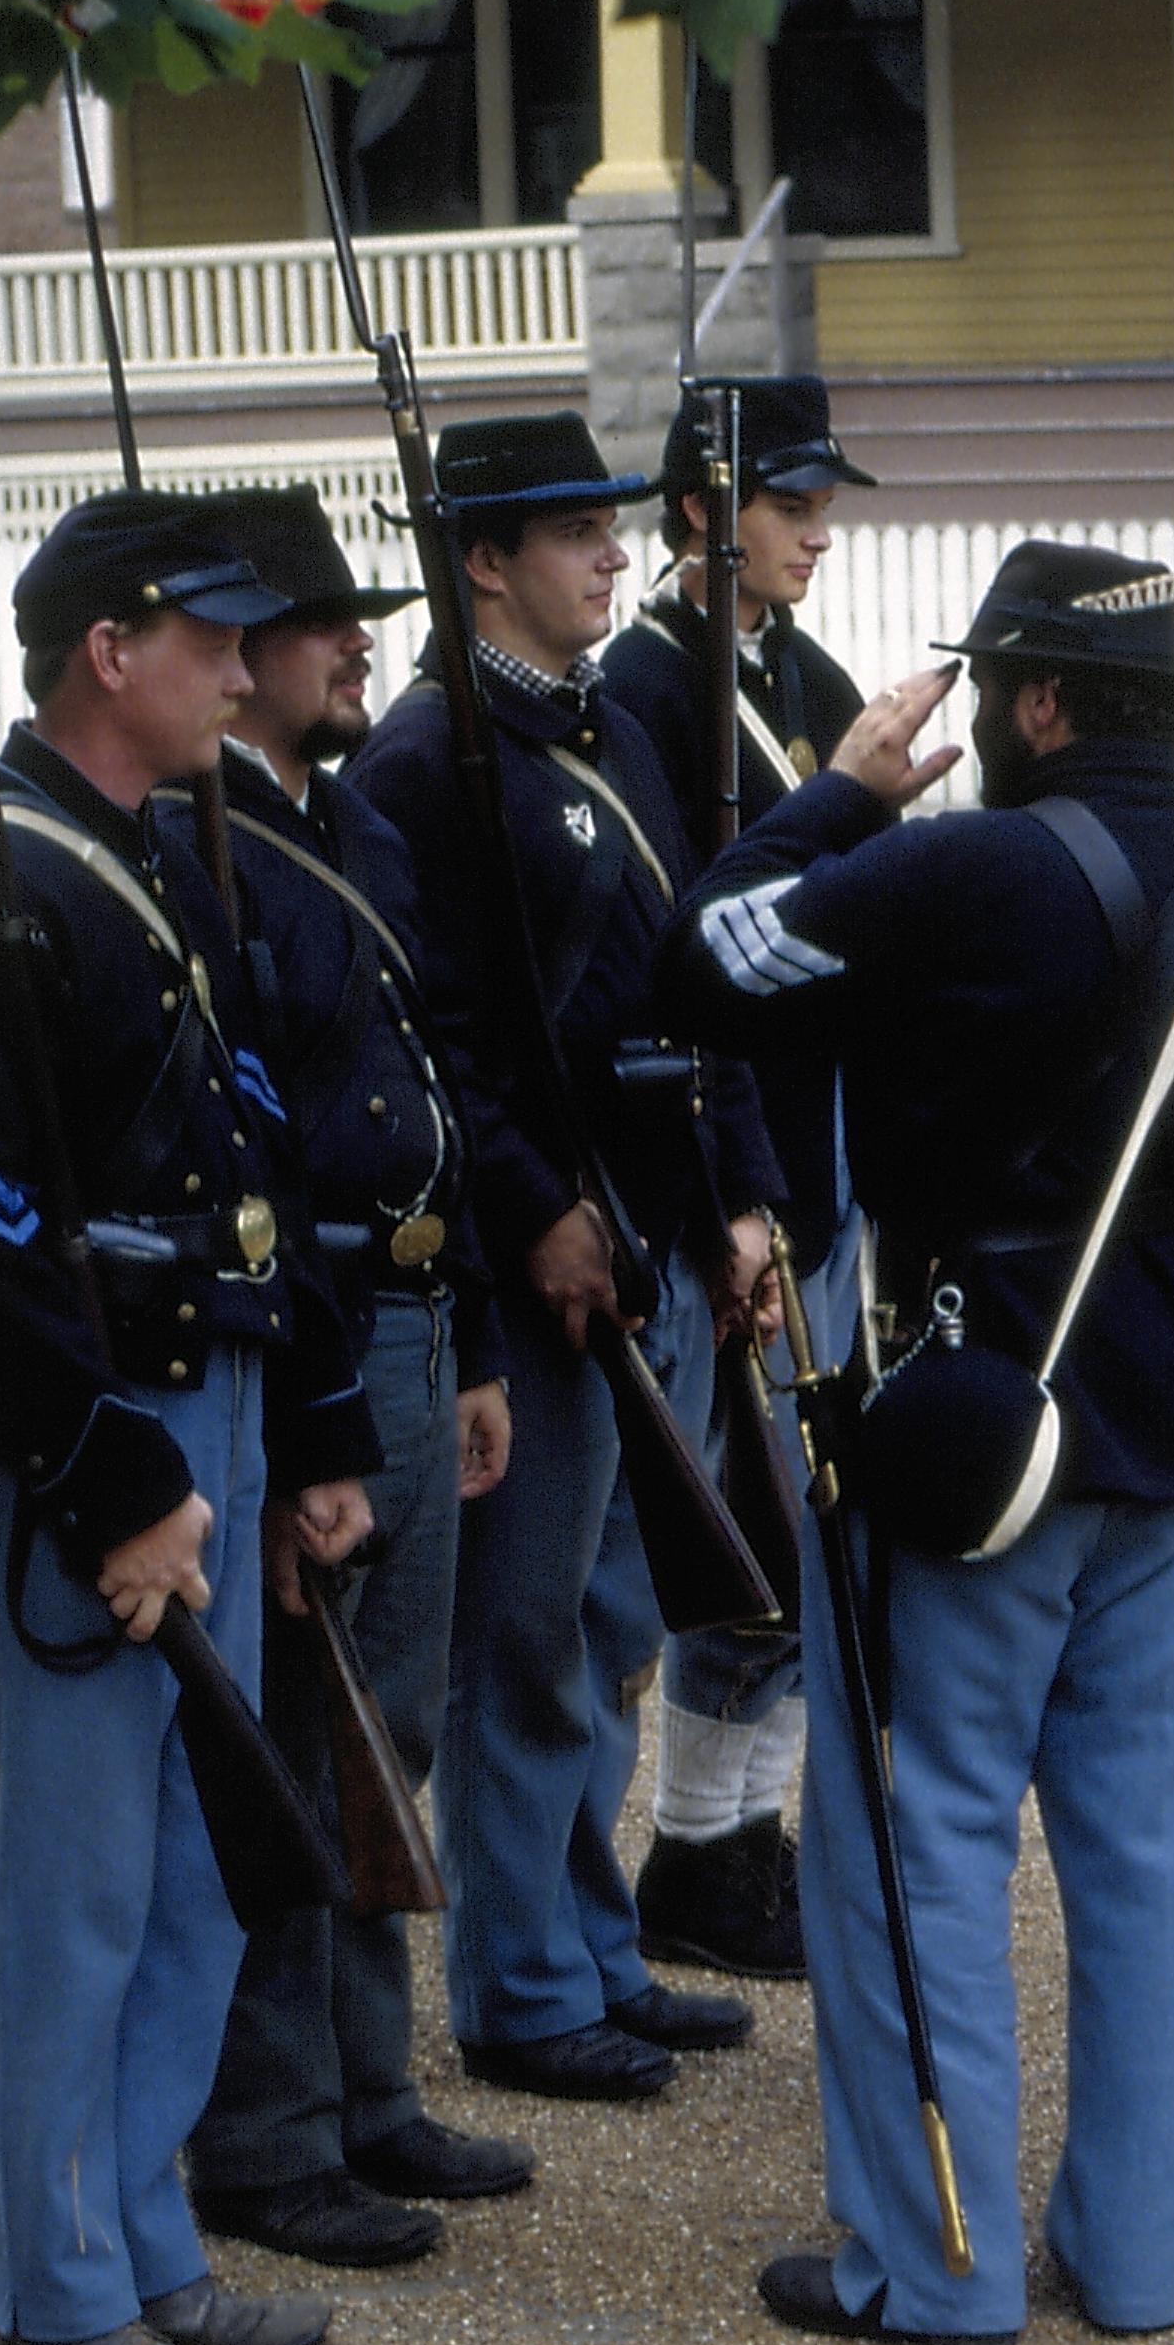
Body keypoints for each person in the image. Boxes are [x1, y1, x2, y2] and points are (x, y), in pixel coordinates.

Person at [658, 540, 1174, 2345]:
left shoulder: (954, 869)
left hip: (974, 1429)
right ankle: (1137, 2262)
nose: (967, 722)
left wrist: (833, 791)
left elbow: (709, 957)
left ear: (1041, 703)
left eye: (985, 693)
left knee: (916, 1836)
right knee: (1153, 1861)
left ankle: (936, 2268)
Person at [0, 490, 382, 2345]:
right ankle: (58, 2287)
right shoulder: (2, 901)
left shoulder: (153, 861)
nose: (246, 673)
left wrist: (310, 1428)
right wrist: (113, 1480)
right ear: (114, 650)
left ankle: (150, 2234)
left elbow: (256, 1166)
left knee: (194, 1874)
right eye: (213, 641)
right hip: (103, 1450)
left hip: (214, 1416)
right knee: (73, 1895)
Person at [349, 412, 784, 2101]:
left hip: (655, 1236)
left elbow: (703, 981)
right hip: (543, 1265)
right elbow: (437, 1037)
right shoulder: (422, 763)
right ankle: (523, 1986)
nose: (614, 553)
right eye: (570, 532)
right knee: (524, 1637)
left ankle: (597, 1947)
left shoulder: (608, 730)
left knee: (610, 1628)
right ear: (482, 563)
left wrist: (742, 1194)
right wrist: (533, 1208)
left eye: (612, 527)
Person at [155, 486, 536, 2265]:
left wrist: (455, 1331)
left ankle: (373, 2092)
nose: (352, 646)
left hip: (403, 1322)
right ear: (233, 670)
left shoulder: (343, 827)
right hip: (307, 1336)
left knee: (394, 1734)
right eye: (315, 628)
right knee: (302, 1744)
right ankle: (272, 2133)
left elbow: (424, 1096)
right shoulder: (192, 849)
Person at [601, 374, 878, 1980]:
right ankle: (697, 1849)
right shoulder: (645, 691)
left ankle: (736, 1842)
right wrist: (724, 1197)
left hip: (820, 1153)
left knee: (799, 1525)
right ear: (702, 512)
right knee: (724, 1526)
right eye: (789, 506)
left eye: (824, 504)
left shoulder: (807, 681)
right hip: (724, 1169)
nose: (817, 535)